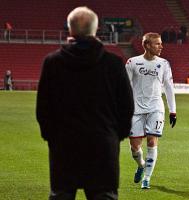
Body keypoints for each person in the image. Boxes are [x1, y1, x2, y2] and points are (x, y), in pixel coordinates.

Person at [36, 7, 134, 200]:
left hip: (64, 146)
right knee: (103, 195)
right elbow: (127, 107)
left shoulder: (53, 63)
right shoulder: (113, 63)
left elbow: (43, 108)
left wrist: (52, 137)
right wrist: (116, 136)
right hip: (103, 145)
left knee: (61, 195)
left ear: (70, 30)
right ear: (96, 30)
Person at [125, 32, 177, 189]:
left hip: (155, 107)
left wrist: (172, 110)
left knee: (152, 140)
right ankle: (141, 165)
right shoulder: (132, 62)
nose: (161, 46)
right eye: (157, 44)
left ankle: (146, 178)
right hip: (135, 108)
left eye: (161, 43)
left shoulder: (164, 64)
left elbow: (169, 88)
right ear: (147, 45)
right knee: (135, 146)